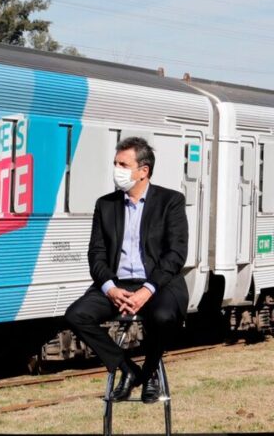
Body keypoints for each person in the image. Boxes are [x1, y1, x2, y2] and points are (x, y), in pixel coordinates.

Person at [65, 137, 188, 403]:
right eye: (115, 163)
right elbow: (96, 254)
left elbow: (176, 254)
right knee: (76, 315)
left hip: (158, 284)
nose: (116, 170)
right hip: (118, 284)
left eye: (123, 164)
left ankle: (151, 370)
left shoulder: (171, 201)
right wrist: (110, 288)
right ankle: (128, 369)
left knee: (164, 316)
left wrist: (147, 289)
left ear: (143, 171)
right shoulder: (106, 204)